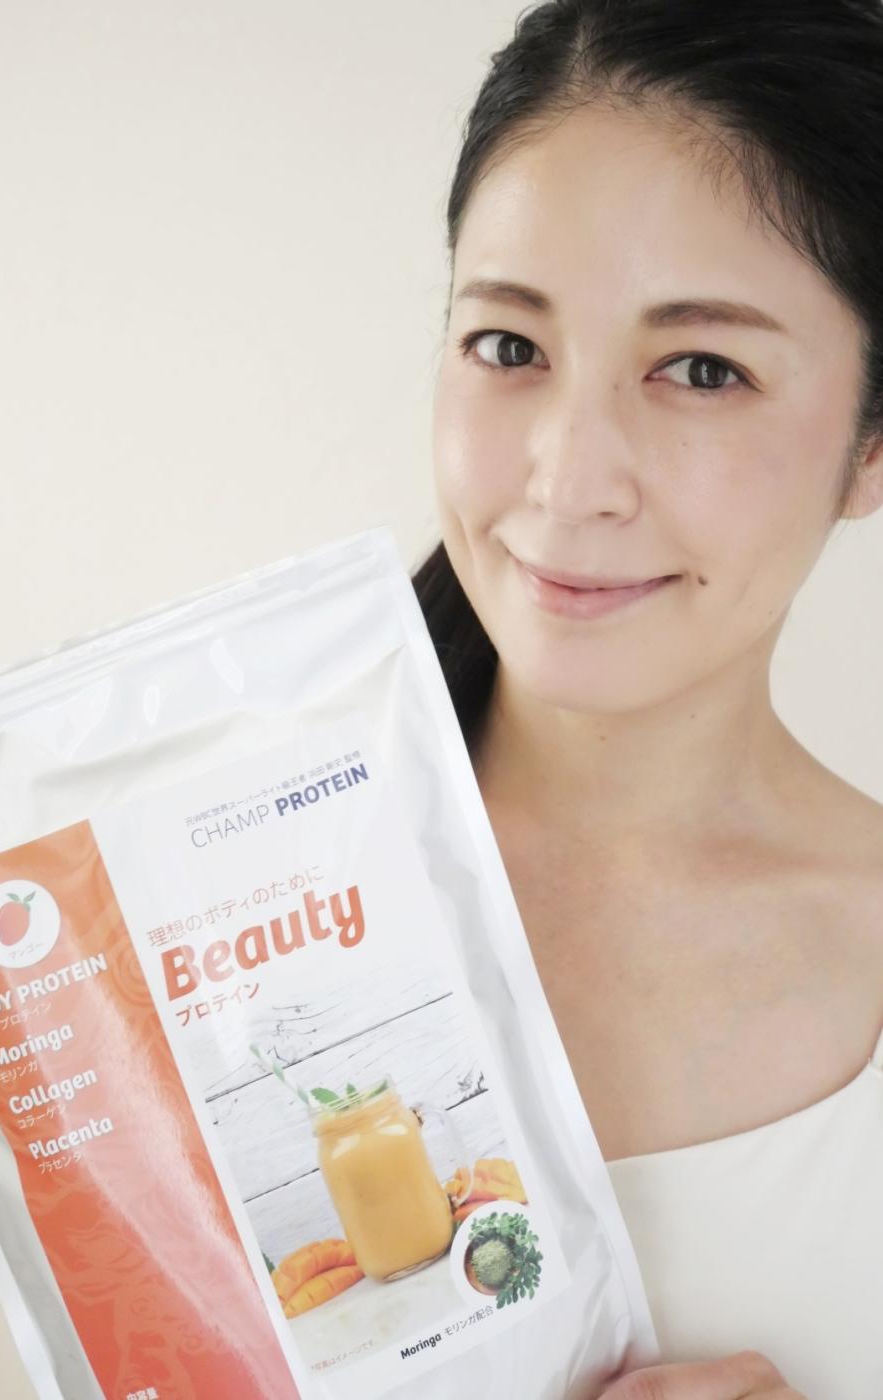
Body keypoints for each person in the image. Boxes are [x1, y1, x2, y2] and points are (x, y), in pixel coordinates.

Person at [412, 2, 883, 1397]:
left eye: (701, 371)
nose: (569, 479)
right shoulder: (184, 915)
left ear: (870, 448)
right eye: (509, 346)